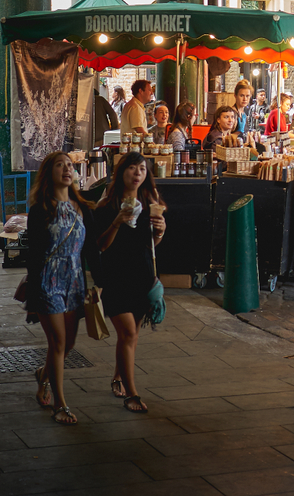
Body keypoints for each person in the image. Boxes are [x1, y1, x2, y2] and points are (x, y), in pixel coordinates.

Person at [25, 151, 98, 425]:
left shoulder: (83, 207)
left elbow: (91, 250)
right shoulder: (40, 209)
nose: (67, 169)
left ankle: (43, 374)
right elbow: (33, 255)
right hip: (48, 281)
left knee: (69, 344)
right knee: (57, 342)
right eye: (60, 165)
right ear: (49, 173)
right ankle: (61, 404)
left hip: (75, 282)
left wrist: (97, 283)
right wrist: (33, 296)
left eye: (70, 165)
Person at [94, 151, 167, 414]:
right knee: (127, 334)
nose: (138, 173)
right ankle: (132, 394)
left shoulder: (150, 201)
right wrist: (116, 222)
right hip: (116, 278)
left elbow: (151, 244)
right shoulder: (106, 204)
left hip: (142, 276)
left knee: (130, 337)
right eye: (133, 168)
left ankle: (117, 378)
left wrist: (161, 231)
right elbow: (100, 246)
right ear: (122, 171)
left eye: (143, 170)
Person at [202, 104, 238, 170]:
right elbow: (220, 163)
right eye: (226, 117)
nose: (230, 120)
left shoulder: (225, 135)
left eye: (232, 117)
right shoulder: (216, 138)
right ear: (218, 120)